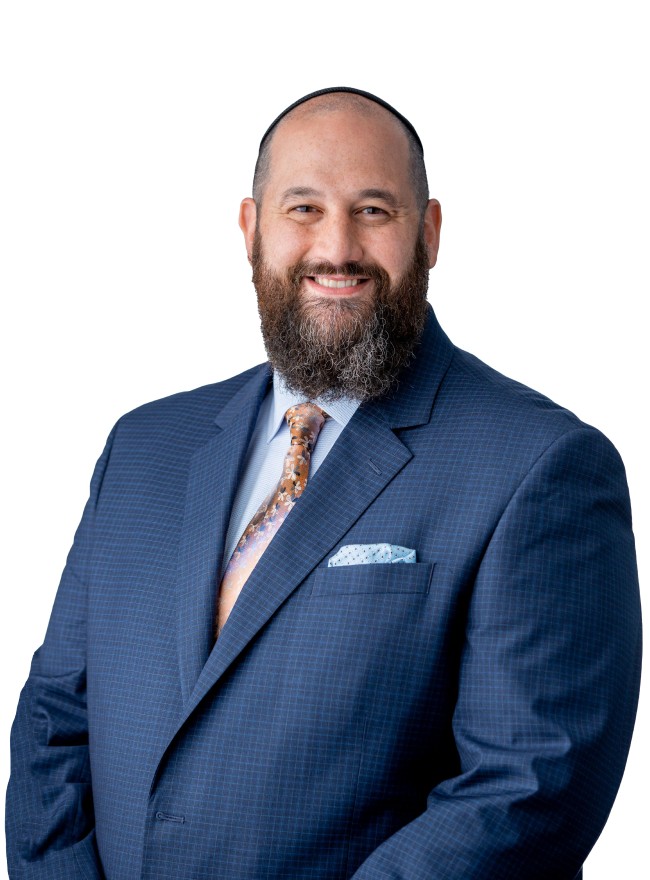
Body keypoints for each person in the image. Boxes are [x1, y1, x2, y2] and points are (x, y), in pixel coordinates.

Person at [6, 87, 641, 880]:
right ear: (251, 230)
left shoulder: (541, 465)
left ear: (429, 232)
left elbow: (528, 791)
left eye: (373, 210)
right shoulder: (143, 448)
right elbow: (55, 718)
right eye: (303, 208)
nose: (336, 248)